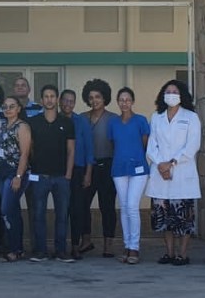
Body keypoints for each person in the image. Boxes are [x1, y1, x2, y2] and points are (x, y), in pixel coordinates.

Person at [146, 80, 202, 266]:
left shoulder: (191, 117)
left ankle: (182, 254)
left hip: (181, 172)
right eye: (167, 91)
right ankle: (169, 252)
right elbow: (151, 144)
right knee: (165, 218)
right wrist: (160, 164)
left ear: (182, 95)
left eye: (174, 91)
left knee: (183, 218)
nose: (171, 94)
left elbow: (192, 145)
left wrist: (171, 163)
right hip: (160, 173)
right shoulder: (156, 117)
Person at [26, 85, 75, 263]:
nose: (49, 99)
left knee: (62, 215)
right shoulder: (33, 122)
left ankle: (61, 251)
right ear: (41, 100)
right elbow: (29, 148)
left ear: (57, 99)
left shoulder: (67, 122)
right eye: (46, 96)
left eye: (52, 96)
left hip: (62, 177)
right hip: (39, 177)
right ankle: (41, 251)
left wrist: (68, 174)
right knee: (38, 215)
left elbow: (71, 150)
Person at [77, 79, 118, 259]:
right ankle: (86, 240)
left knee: (107, 206)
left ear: (105, 98)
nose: (94, 100)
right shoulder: (81, 118)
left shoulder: (114, 119)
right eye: (91, 97)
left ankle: (108, 244)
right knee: (83, 204)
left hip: (107, 166)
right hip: (87, 167)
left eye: (98, 97)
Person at [109, 86, 150, 264]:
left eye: (127, 100)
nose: (124, 103)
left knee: (132, 206)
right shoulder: (113, 123)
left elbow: (145, 144)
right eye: (121, 100)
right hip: (119, 169)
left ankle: (135, 247)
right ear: (117, 102)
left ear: (132, 101)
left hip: (138, 169)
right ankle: (127, 245)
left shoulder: (141, 120)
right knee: (124, 207)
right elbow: (113, 144)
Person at [0, 96, 32, 263]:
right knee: (12, 211)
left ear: (18, 108)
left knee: (6, 209)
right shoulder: (3, 126)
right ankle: (16, 249)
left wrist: (18, 176)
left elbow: (25, 153)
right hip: (2, 172)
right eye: (5, 106)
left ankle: (15, 248)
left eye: (12, 106)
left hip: (15, 172)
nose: (8, 109)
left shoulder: (22, 127)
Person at [61, 88, 95, 260]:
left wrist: (88, 173)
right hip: (58, 171)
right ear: (60, 102)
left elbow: (90, 149)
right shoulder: (55, 119)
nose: (68, 104)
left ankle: (75, 246)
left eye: (71, 101)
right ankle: (60, 247)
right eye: (65, 100)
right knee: (62, 210)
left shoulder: (81, 121)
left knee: (77, 209)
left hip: (78, 170)